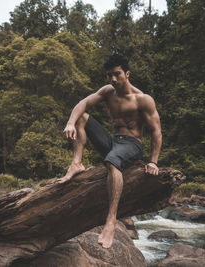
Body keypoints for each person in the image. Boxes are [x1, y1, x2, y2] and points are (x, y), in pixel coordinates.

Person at [57, 54, 162, 249]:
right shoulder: (107, 92)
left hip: (133, 144)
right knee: (82, 117)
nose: (113, 79)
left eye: (117, 74)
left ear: (127, 74)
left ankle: (111, 221)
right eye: (109, 75)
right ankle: (76, 164)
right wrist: (70, 123)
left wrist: (153, 161)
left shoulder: (143, 99)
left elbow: (156, 132)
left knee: (112, 161)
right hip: (113, 142)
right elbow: (83, 103)